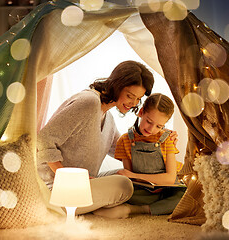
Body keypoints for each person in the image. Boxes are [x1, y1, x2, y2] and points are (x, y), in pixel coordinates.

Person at [37, 61, 177, 216]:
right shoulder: (88, 102)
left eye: (138, 98)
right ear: (117, 85)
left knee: (122, 174)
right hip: (56, 189)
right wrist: (67, 178)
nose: (133, 103)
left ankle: (99, 207)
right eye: (130, 96)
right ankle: (95, 208)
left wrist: (161, 138)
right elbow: (43, 140)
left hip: (85, 182)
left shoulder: (108, 117)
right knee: (123, 185)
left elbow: (126, 148)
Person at [92, 93, 185, 219]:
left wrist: (135, 176)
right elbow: (129, 177)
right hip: (141, 191)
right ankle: (142, 206)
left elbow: (170, 178)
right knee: (123, 187)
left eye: (159, 126)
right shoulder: (125, 140)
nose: (152, 129)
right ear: (141, 112)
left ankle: (135, 209)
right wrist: (132, 177)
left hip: (165, 191)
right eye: (149, 121)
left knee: (185, 196)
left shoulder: (167, 139)